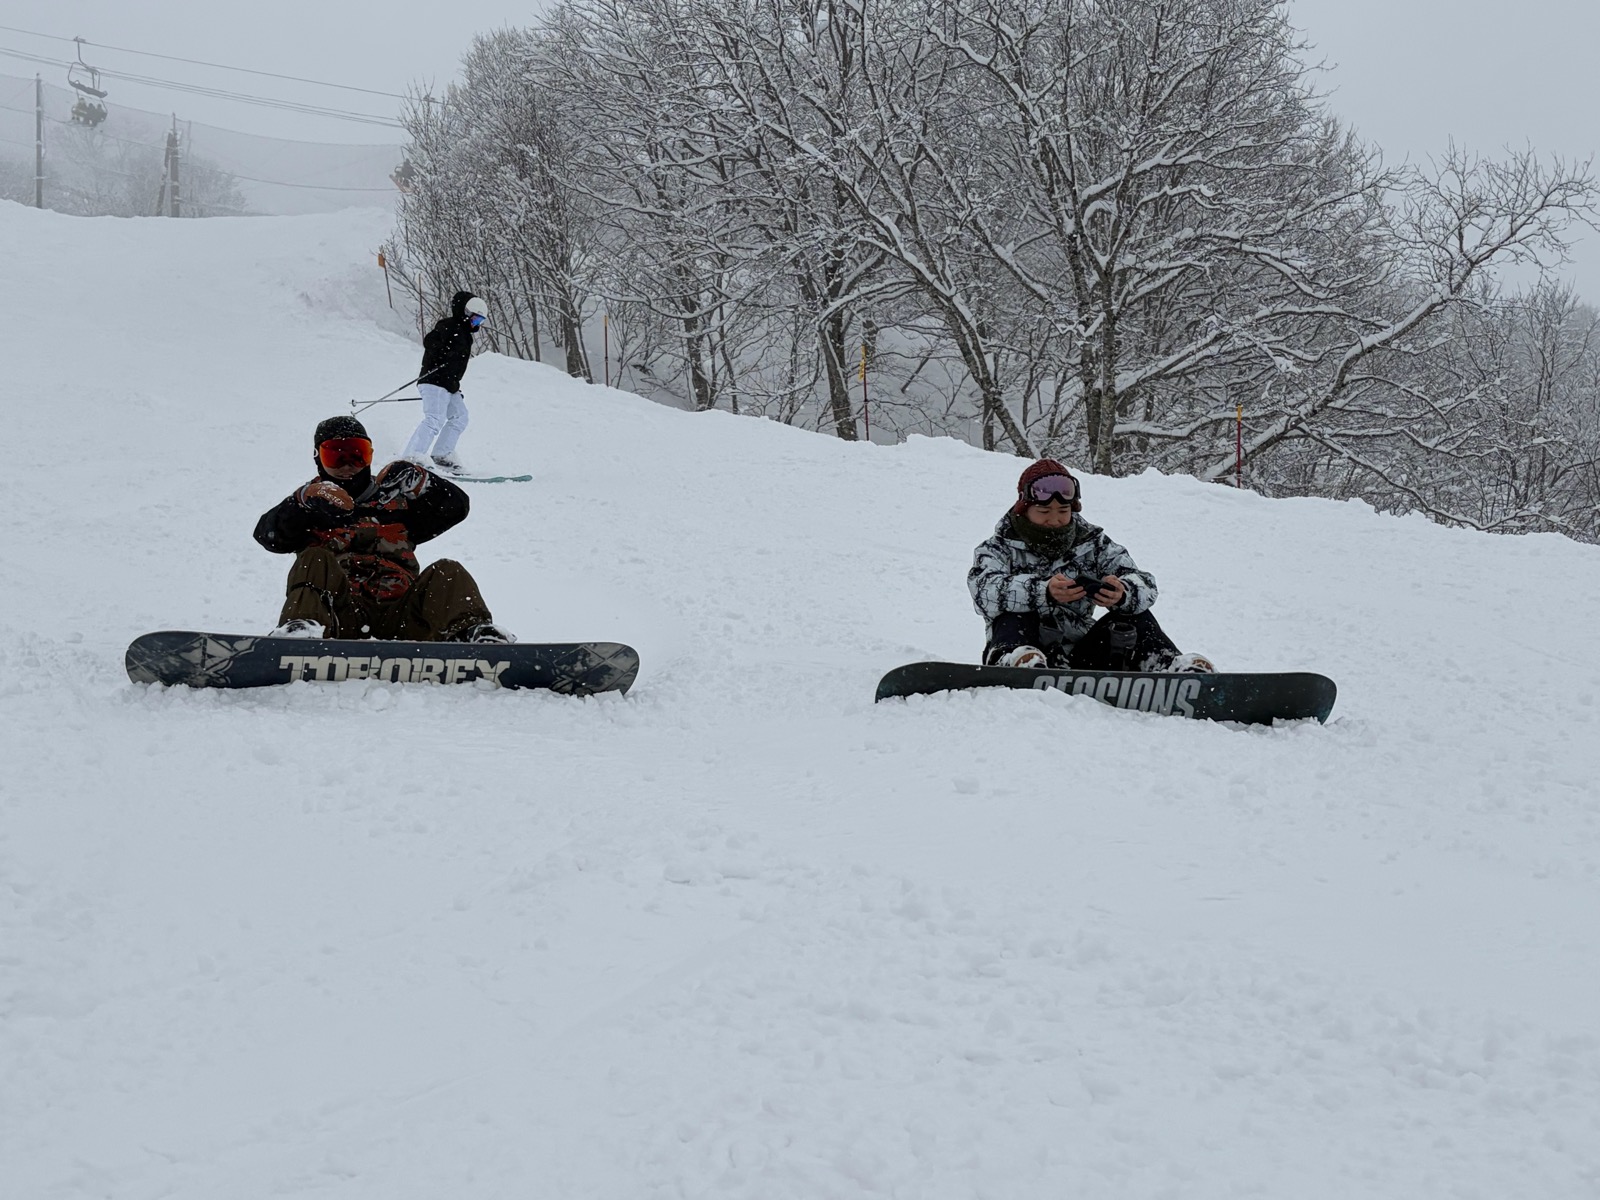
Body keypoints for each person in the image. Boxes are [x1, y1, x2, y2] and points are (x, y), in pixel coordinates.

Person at [254, 415, 513, 643]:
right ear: (318, 459)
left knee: (448, 571)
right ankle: (301, 634)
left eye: (358, 453)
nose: (348, 464)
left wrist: (424, 481)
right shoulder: (311, 504)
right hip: (338, 616)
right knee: (313, 559)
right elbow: (268, 536)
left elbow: (457, 508)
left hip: (403, 615)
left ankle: (473, 636)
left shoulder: (396, 502)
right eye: (335, 455)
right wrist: (301, 501)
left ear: (370, 456)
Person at [968, 459, 1212, 672]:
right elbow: (983, 591)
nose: (1054, 519)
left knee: (1133, 613)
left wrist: (1122, 592)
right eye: (1044, 510)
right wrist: (1043, 592)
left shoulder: (1093, 544)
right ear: (1025, 508)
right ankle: (1017, 663)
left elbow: (1145, 583)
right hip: (1023, 647)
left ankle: (1169, 667)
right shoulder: (997, 548)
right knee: (1013, 612)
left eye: (1063, 510)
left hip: (1083, 657)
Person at [404, 290, 488, 471]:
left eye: (480, 321)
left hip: (449, 384)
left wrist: (454, 384)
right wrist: (443, 353)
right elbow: (430, 342)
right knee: (434, 418)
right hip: (434, 380)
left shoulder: (466, 335)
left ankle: (442, 455)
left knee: (460, 417)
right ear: (465, 313)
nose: (477, 324)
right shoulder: (449, 325)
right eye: (475, 319)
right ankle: (411, 458)